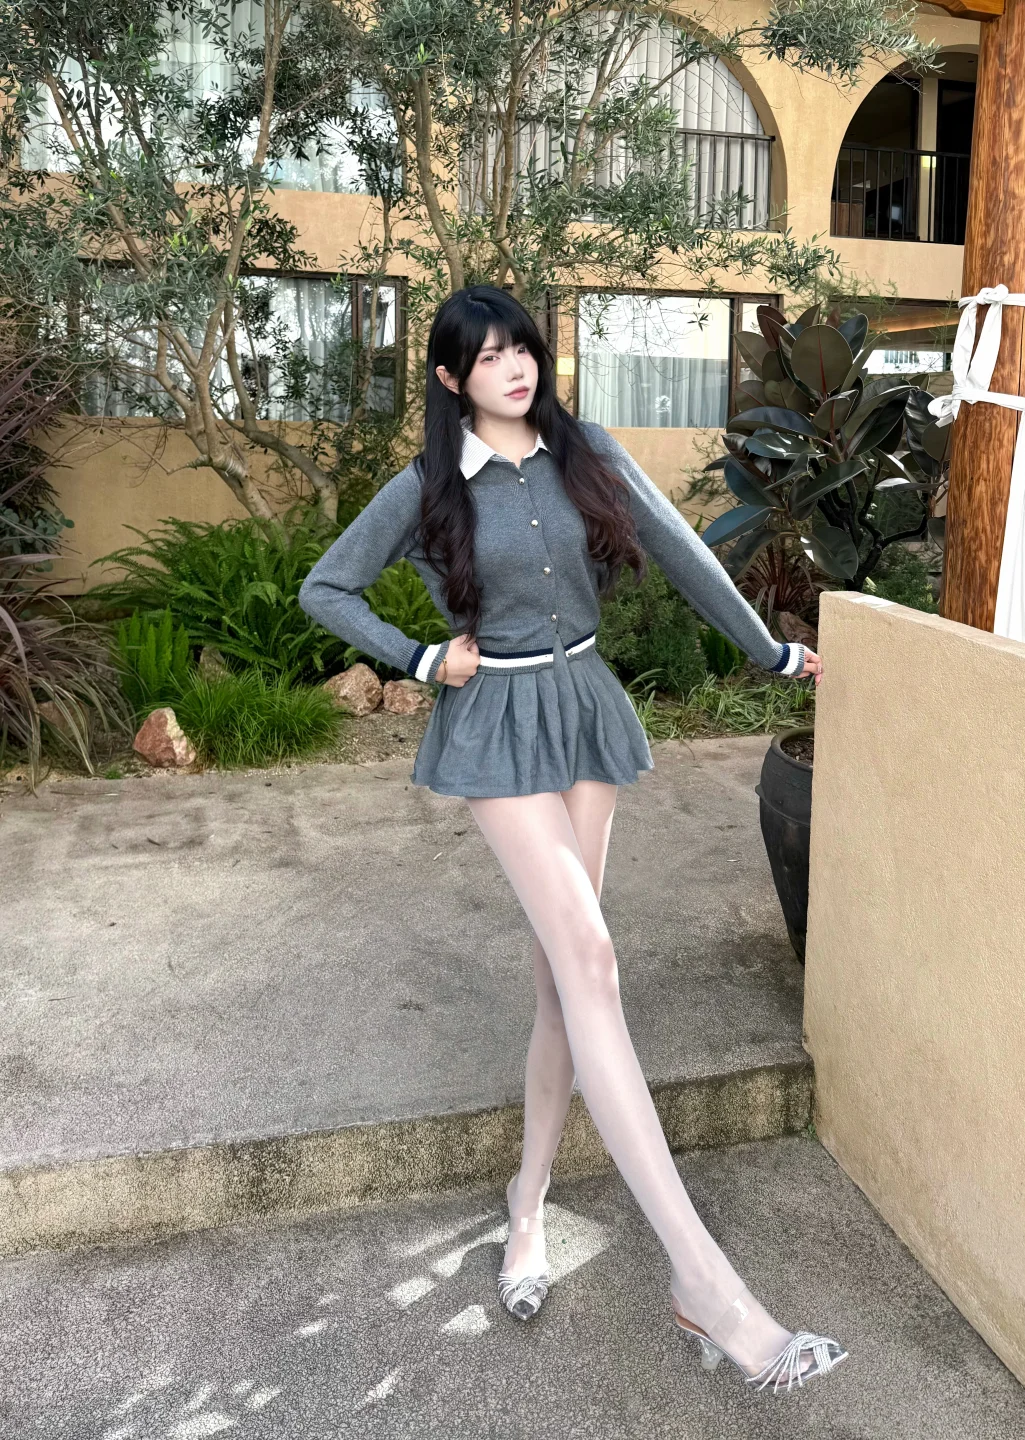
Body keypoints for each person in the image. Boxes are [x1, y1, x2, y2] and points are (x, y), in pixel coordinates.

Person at [298, 285, 845, 1395]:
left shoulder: (585, 452)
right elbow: (327, 587)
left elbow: (684, 555)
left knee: (564, 981)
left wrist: (770, 652)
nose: (515, 368)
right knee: (592, 959)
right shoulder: (428, 484)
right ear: (450, 378)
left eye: (524, 349)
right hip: (495, 722)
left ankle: (527, 1207)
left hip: (585, 710)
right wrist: (419, 658)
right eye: (488, 357)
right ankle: (706, 1285)